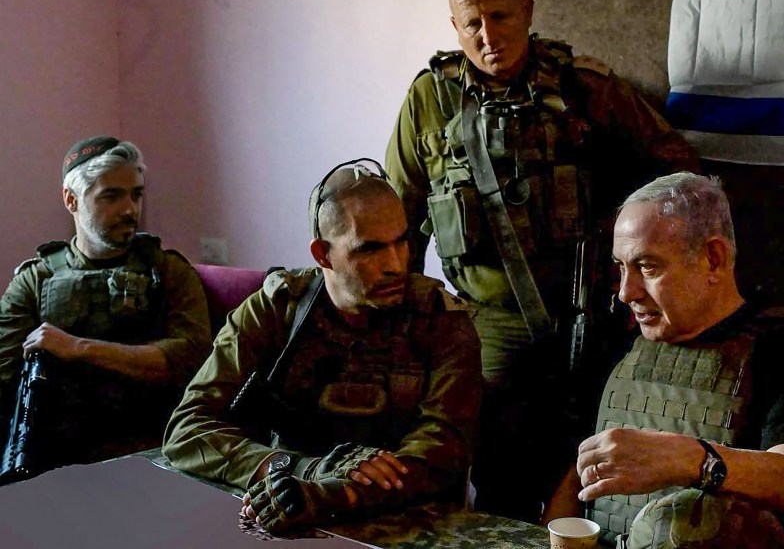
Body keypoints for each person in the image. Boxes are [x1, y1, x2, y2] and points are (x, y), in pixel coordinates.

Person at [385, 0, 700, 521]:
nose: (488, 36)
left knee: (594, 482)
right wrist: (403, 338)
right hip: (486, 332)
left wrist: (631, 251)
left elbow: (680, 178)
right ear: (454, 25)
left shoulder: (585, 89)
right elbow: (398, 226)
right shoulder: (429, 101)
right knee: (501, 482)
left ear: (527, 10)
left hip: (594, 316)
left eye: (501, 17)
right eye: (471, 23)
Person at [162, 159, 482, 534]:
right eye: (370, 249)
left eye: (402, 242)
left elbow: (441, 451)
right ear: (322, 254)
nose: (396, 264)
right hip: (292, 506)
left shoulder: (442, 320)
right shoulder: (276, 310)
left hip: (412, 522)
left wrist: (332, 495)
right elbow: (186, 429)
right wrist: (299, 470)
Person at [543, 172, 784, 548]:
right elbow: (575, 475)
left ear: (713, 259)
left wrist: (689, 459)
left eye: (648, 267)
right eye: (621, 267)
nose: (625, 292)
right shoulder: (616, 344)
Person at [0, 136, 211, 476]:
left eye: (136, 195)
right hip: (56, 457)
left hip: (151, 452)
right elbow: (4, 371)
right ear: (72, 200)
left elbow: (192, 358)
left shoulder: (169, 271)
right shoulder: (34, 280)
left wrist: (78, 348)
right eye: (111, 196)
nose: (130, 210)